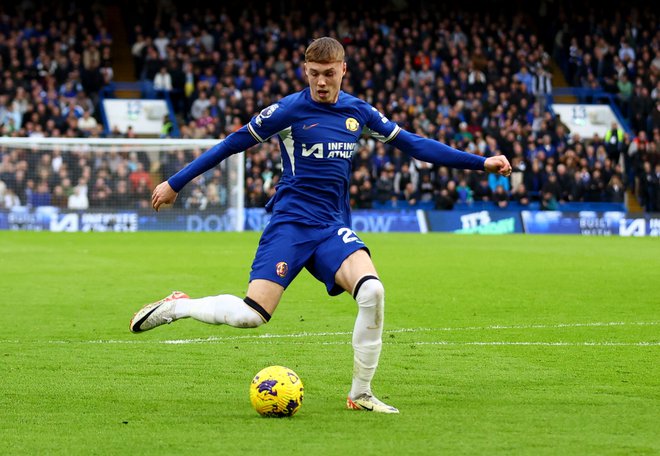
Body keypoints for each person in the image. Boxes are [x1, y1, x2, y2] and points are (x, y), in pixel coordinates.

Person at [129, 37, 511, 414]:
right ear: (305, 72)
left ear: (343, 69)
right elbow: (231, 144)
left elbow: (415, 145)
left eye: (329, 73)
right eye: (314, 74)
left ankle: (360, 394)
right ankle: (179, 307)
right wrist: (174, 182)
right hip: (291, 224)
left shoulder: (359, 112)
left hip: (331, 227)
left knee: (373, 292)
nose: (322, 82)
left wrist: (481, 163)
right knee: (251, 316)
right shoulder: (287, 111)